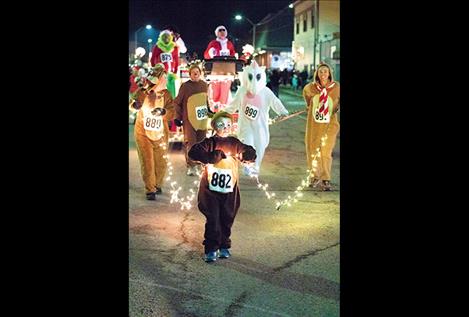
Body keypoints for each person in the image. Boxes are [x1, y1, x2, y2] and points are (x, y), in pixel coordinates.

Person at [188, 111, 256, 262]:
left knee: (227, 217)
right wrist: (210, 157)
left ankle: (224, 245)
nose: (225, 127)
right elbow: (193, 152)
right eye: (221, 125)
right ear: (214, 126)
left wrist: (248, 155)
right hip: (210, 189)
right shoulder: (209, 142)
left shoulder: (234, 142)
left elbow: (248, 150)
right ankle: (211, 248)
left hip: (230, 189)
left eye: (228, 125)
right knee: (213, 218)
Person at [224, 60, 289, 176]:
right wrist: (223, 112)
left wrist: (283, 112)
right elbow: (233, 104)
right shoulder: (242, 91)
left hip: (260, 126)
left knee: (260, 145)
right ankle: (247, 164)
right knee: (247, 143)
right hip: (246, 125)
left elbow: (275, 102)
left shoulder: (265, 91)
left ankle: (256, 166)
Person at [133, 64, 175, 200]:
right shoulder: (143, 91)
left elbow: (172, 111)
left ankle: (157, 184)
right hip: (143, 132)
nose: (165, 80)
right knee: (147, 161)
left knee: (161, 161)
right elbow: (133, 102)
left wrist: (164, 112)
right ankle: (150, 189)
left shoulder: (167, 94)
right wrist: (135, 105)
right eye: (162, 77)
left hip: (160, 133)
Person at [303, 63, 340, 191]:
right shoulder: (309, 88)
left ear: (329, 73)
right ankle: (314, 176)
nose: (323, 74)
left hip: (330, 124)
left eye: (325, 71)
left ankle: (326, 178)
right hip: (314, 125)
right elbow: (308, 104)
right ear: (317, 74)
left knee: (326, 151)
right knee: (312, 150)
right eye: (320, 72)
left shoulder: (336, 88)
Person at [172, 63, 209, 176]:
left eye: (197, 72)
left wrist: (210, 111)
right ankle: (191, 165)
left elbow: (205, 101)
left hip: (202, 119)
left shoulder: (204, 85)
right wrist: (177, 117)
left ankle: (199, 164)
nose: (196, 74)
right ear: (190, 74)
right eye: (193, 73)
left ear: (200, 73)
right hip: (189, 119)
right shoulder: (185, 86)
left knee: (201, 143)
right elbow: (177, 102)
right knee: (191, 143)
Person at [204, 25, 236, 108]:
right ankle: (215, 111)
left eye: (223, 30)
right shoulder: (213, 43)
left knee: (225, 93)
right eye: (220, 31)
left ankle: (222, 111)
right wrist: (211, 53)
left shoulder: (229, 44)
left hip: (228, 73)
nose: (222, 32)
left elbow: (233, 56)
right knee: (215, 92)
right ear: (217, 33)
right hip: (216, 72)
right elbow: (206, 55)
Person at [150, 30, 179, 98]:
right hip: (160, 73)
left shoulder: (174, 47)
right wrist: (154, 69)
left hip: (170, 73)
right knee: (159, 90)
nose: (166, 38)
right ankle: (159, 104)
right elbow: (153, 58)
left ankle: (171, 104)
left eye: (168, 37)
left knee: (171, 92)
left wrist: (175, 71)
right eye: (164, 37)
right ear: (161, 37)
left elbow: (176, 60)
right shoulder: (157, 47)